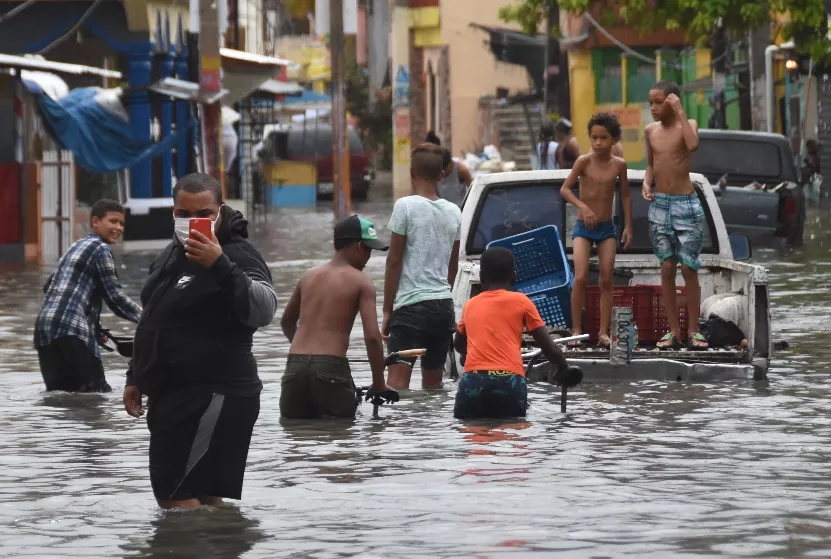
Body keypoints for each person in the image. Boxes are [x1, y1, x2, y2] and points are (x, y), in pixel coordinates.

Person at [123, 172, 277, 509]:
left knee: (174, 496)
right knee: (203, 498)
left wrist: (219, 264)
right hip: (175, 396)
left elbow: (264, 310)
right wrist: (135, 375)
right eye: (184, 214)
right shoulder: (169, 254)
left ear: (219, 211)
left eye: (203, 214)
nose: (193, 222)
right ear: (173, 212)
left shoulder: (238, 254)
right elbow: (153, 316)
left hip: (214, 393)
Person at [279, 215, 393, 419]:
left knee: (297, 437)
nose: (368, 257)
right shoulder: (361, 281)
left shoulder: (308, 275)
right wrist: (378, 383)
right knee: (340, 439)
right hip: (330, 368)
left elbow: (287, 321)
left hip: (294, 367)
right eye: (368, 249)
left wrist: (304, 357)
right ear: (359, 246)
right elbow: (373, 337)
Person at [34, 199, 141, 393]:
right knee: (97, 393)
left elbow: (49, 285)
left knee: (60, 395)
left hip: (44, 329)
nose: (118, 227)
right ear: (95, 222)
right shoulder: (101, 249)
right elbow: (115, 298)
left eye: (121, 223)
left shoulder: (76, 246)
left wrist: (93, 327)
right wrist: (149, 319)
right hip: (71, 329)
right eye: (113, 221)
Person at [453, 247, 571, 419]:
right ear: (513, 276)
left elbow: (458, 344)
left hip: (474, 380)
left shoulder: (470, 304)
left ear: (481, 277)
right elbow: (548, 347)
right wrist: (563, 367)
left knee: (472, 436)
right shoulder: (522, 302)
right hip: (509, 381)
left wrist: (466, 354)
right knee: (511, 437)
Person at [383, 143, 462, 389]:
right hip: (443, 308)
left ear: (412, 172)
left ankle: (399, 429)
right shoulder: (454, 211)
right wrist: (441, 294)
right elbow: (453, 266)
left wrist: (387, 310)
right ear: (441, 175)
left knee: (396, 385)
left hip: (410, 308)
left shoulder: (404, 206)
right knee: (433, 387)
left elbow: (394, 261)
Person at [644, 80, 707, 349]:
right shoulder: (650, 131)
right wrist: (647, 182)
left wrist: (680, 110)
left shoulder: (688, 125)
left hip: (686, 204)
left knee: (688, 267)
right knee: (667, 267)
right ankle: (673, 330)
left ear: (672, 101)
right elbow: (651, 164)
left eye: (659, 102)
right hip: (660, 206)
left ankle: (694, 330)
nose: (654, 108)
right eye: (651, 103)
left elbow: (692, 146)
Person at [560, 112, 632, 348]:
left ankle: (603, 332)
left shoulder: (619, 165)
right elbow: (565, 190)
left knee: (606, 279)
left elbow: (625, 196)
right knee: (580, 277)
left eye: (604, 138)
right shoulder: (583, 161)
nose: (598, 143)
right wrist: (584, 207)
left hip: (606, 229)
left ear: (614, 140)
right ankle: (577, 329)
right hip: (583, 227)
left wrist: (628, 227)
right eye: (594, 138)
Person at [424, 131, 473, 207]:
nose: (443, 175)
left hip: (460, 209)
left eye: (445, 171)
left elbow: (472, 190)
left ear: (450, 163)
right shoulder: (434, 170)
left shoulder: (461, 170)